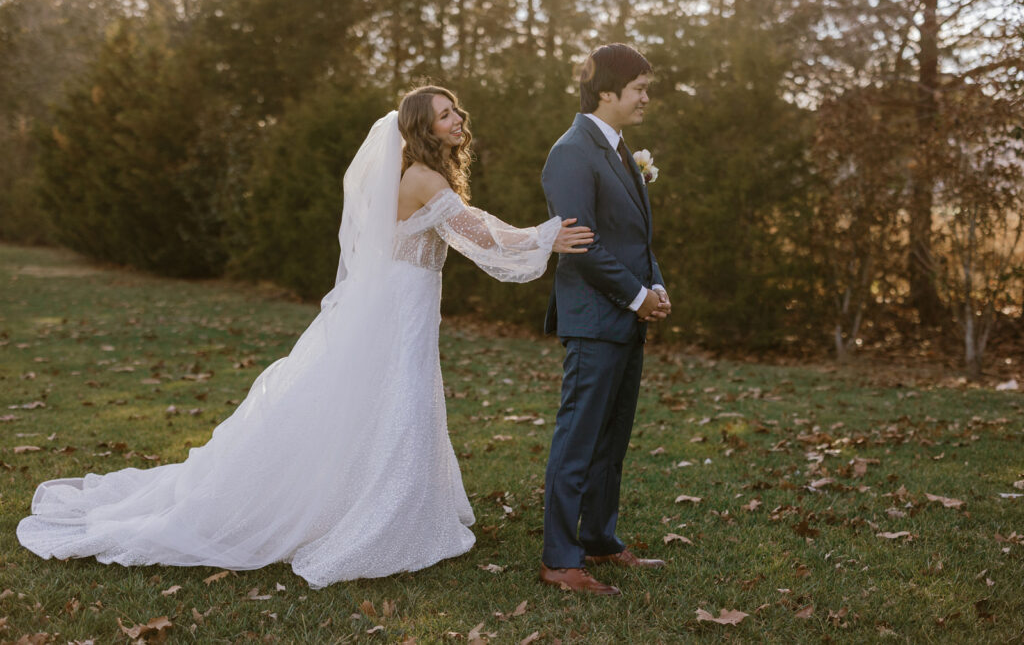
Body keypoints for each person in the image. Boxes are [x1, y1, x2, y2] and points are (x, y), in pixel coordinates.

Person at [16, 85, 594, 589]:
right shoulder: (419, 176)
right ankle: (376, 514)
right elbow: (477, 231)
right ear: (420, 128)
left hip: (404, 301)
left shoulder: (419, 174)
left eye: (456, 111)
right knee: (397, 398)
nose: (457, 119)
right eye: (444, 114)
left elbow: (471, 229)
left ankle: (394, 503)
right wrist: (545, 238)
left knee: (389, 399)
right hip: (398, 306)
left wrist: (535, 240)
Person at [539, 44, 671, 596]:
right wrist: (635, 295)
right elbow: (582, 245)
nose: (646, 98)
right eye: (639, 88)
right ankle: (559, 559)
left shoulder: (619, 151)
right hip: (595, 319)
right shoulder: (571, 152)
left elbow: (633, 235)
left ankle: (599, 538)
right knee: (579, 439)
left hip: (627, 317)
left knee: (611, 440)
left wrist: (655, 284)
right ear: (607, 92)